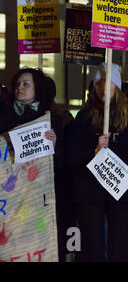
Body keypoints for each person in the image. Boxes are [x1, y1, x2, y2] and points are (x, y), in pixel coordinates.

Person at [67, 63, 128, 262]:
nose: (104, 88)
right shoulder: (84, 117)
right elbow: (72, 156)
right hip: (90, 192)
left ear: (117, 87)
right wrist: (92, 152)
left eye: (109, 83)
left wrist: (121, 170)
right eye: (100, 83)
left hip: (120, 192)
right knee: (92, 246)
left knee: (118, 246)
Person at [0, 68, 66, 260]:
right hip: (11, 198)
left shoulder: (51, 120)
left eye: (26, 84)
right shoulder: (4, 117)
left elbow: (62, 163)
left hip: (39, 196)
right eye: (18, 84)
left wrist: (54, 146)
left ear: (37, 88)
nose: (20, 87)